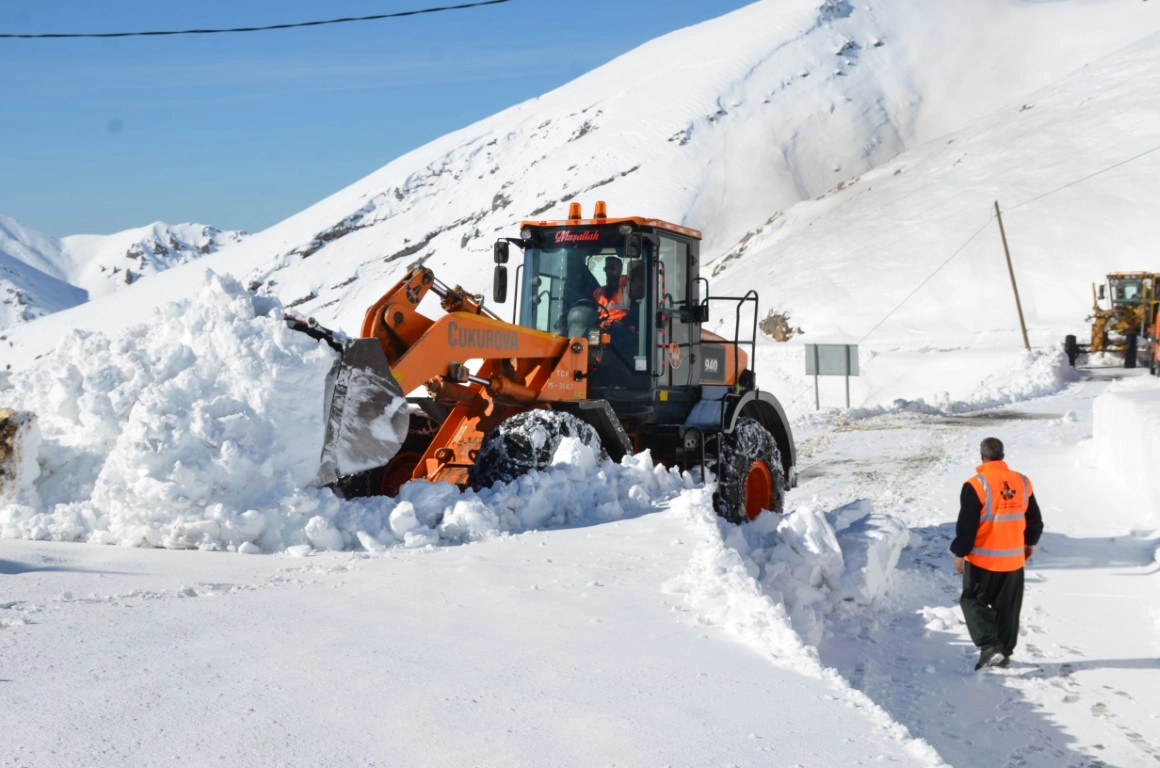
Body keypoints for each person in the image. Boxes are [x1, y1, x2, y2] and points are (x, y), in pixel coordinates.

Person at [950, 437, 1044, 670]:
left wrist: (960, 553)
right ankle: (1003, 653)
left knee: (972, 600)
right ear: (1002, 455)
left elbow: (967, 526)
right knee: (1008, 608)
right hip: (1013, 559)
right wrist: (1029, 543)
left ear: (982, 457)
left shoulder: (976, 484)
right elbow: (1035, 521)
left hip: (983, 560)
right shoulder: (1022, 481)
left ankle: (989, 646)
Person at [594, 256, 629, 328]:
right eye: (606, 269)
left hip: (622, 330)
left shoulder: (630, 290)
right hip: (600, 330)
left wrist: (622, 323)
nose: (608, 271)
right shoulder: (598, 292)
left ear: (620, 269)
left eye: (612, 268)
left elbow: (637, 313)